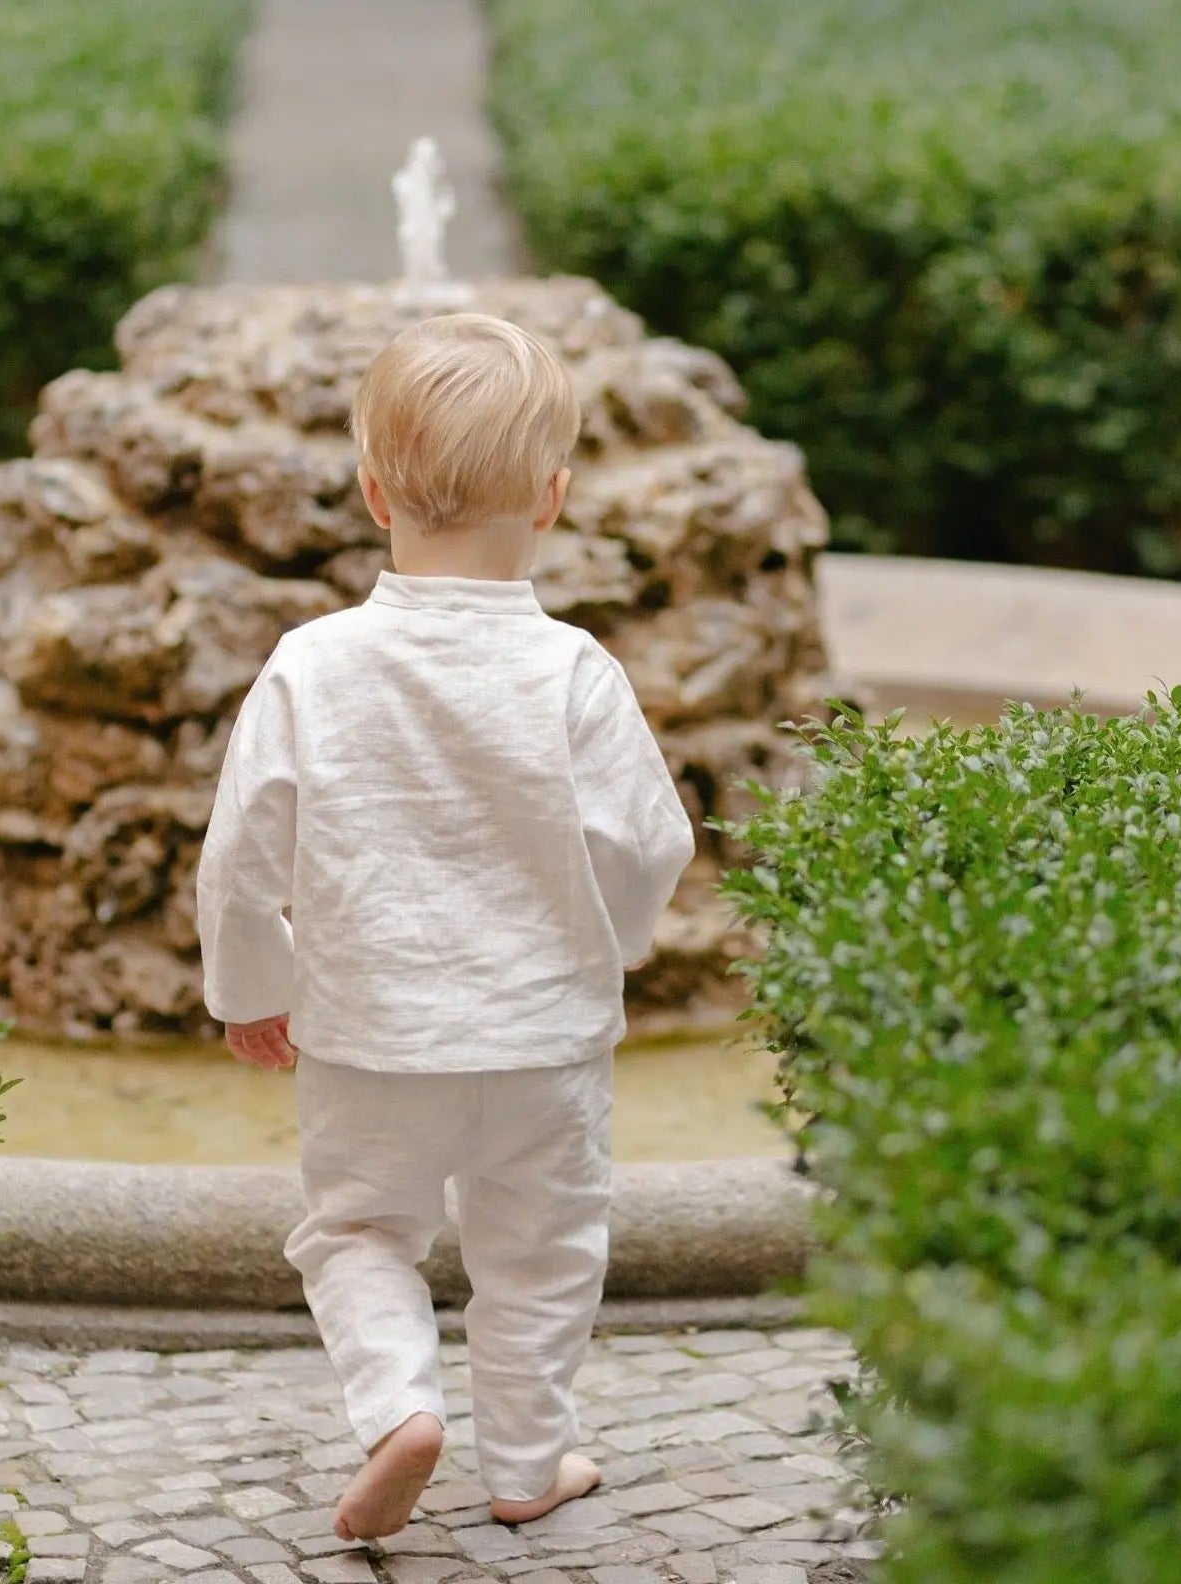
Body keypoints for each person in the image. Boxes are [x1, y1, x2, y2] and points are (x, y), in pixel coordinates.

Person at [197, 313, 695, 1543]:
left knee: (357, 1230)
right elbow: (649, 843)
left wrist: (251, 987)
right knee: (543, 1253)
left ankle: (399, 1410)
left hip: (371, 1037)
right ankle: (526, 1465)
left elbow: (242, 849)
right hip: (542, 1040)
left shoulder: (314, 664)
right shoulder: (573, 670)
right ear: (555, 498)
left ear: (372, 491)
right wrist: (610, 944)